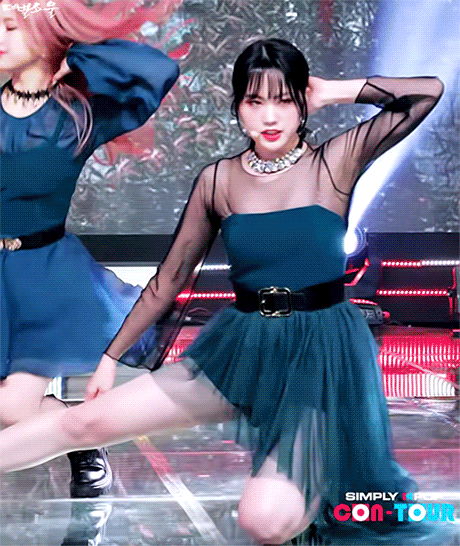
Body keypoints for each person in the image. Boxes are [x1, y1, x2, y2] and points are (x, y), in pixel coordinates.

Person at [0, 39, 449, 545]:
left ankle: (317, 475)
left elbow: (426, 93)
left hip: (318, 355)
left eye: (283, 100)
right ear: (237, 107)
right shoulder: (220, 179)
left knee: (264, 520)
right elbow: (169, 279)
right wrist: (109, 359)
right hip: (241, 346)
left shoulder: (334, 162)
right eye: (254, 101)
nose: (269, 116)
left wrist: (330, 91)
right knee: (82, 423)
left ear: (302, 103)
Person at [0, 0, 179, 498]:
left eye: (10, 26)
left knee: (12, 408)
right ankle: (79, 439)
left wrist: (70, 50)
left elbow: (157, 70)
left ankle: (79, 440)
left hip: (44, 275)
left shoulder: (78, 113)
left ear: (42, 30)